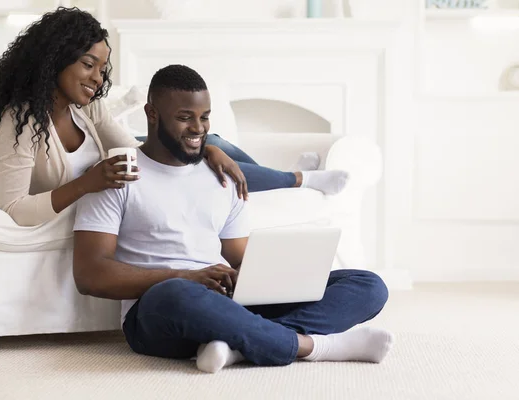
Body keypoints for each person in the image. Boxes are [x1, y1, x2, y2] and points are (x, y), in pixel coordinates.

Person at [72, 64, 393, 374]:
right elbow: (90, 275)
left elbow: (239, 255)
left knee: (367, 285)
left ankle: (237, 346)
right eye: (185, 118)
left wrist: (266, 274)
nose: (198, 128)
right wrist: (186, 276)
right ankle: (314, 347)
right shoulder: (116, 176)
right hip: (158, 309)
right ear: (151, 114)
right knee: (175, 292)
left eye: (204, 117)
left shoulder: (221, 175)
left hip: (224, 300)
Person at [0, 7, 347, 227]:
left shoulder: (87, 107)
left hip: (123, 180)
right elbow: (9, 210)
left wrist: (198, 152)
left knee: (203, 144)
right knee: (199, 145)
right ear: (54, 60)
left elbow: (131, 149)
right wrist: (86, 184)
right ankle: (299, 179)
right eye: (88, 65)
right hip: (104, 197)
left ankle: (294, 178)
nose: (98, 78)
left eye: (102, 68)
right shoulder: (20, 123)